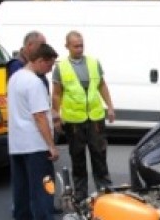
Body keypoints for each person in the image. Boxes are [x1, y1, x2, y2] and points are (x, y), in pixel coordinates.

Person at [52, 30, 116, 202]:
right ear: (67, 46)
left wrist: (110, 107)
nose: (80, 49)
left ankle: (104, 192)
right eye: (76, 46)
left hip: (95, 118)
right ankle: (81, 196)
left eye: (81, 45)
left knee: (100, 156)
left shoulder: (94, 63)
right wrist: (56, 115)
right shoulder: (61, 67)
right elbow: (57, 94)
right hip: (74, 122)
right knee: (78, 159)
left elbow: (102, 85)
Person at [7, 43, 59, 220]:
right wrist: (51, 146)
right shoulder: (35, 83)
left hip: (17, 144)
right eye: (49, 65)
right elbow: (39, 116)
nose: (49, 70)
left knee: (21, 189)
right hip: (36, 145)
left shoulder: (14, 78)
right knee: (44, 187)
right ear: (40, 61)